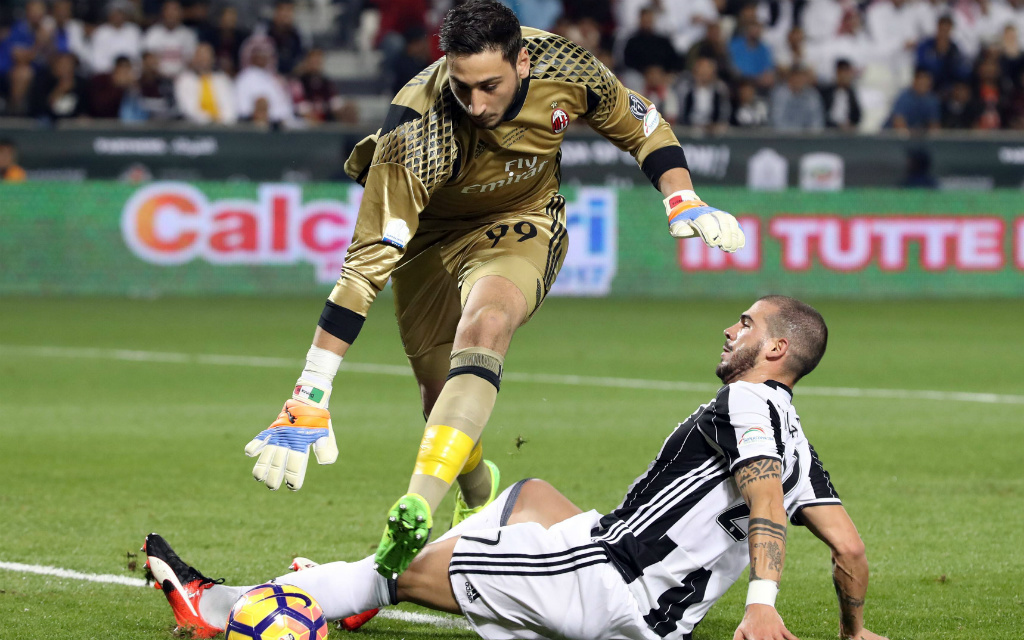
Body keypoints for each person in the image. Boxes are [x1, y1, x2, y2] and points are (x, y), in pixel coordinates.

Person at [239, 0, 745, 584]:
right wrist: (311, 391)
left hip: (520, 221)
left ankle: (415, 510)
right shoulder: (415, 129)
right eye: (462, 86)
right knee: (439, 395)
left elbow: (642, 122)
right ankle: (479, 491)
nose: (476, 104)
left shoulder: (565, 66)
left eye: (490, 85)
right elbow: (362, 271)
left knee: (485, 326)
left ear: (523, 62)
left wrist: (681, 196)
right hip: (427, 241)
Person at [146, 295, 888, 640]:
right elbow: (849, 549)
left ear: (777, 350)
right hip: (654, 608)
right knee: (528, 494)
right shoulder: (798, 441)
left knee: (394, 567)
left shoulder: (748, 407)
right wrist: (854, 634)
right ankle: (376, 588)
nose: (731, 328)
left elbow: (761, 502)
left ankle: (221, 607)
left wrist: (762, 601)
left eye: (747, 324)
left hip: (603, 585)